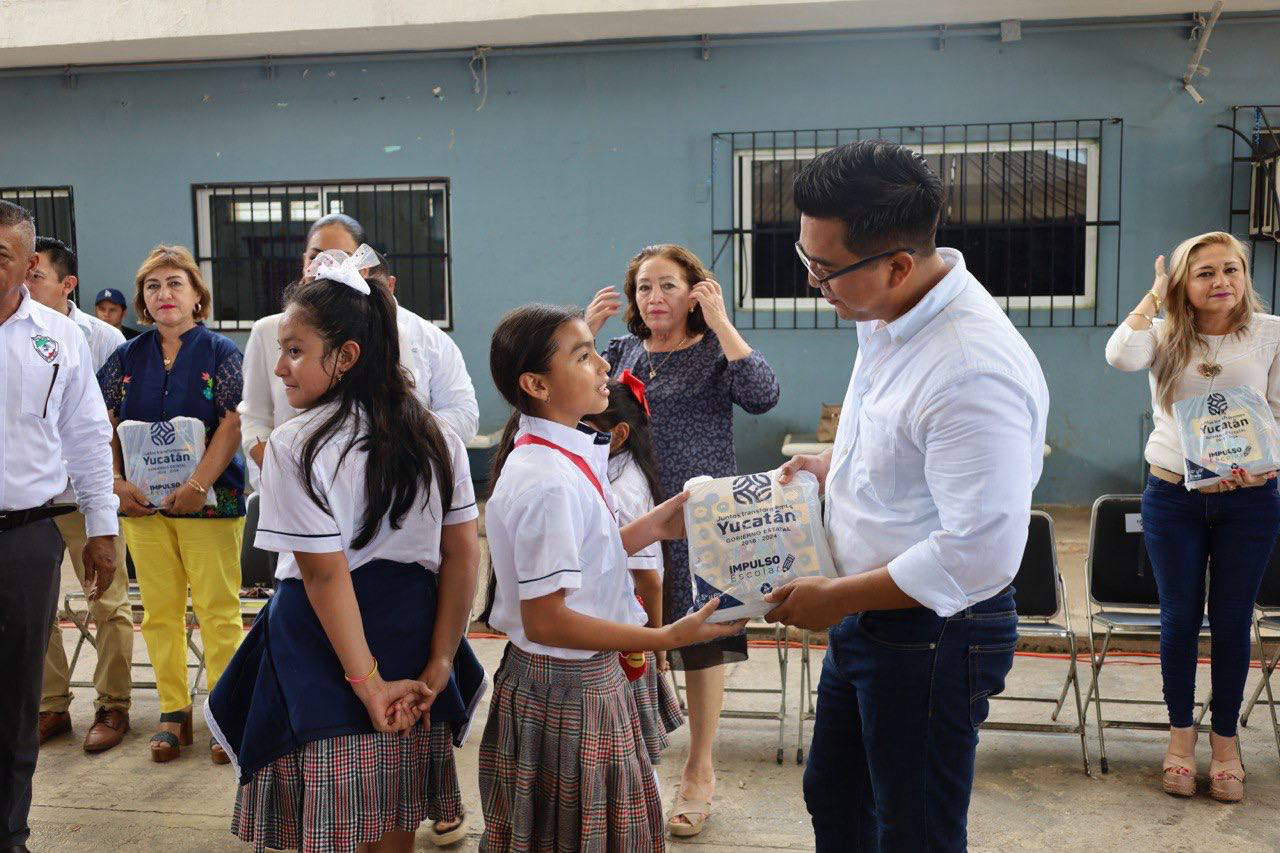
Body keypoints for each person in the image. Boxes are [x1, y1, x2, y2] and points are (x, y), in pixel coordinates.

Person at [764, 140, 1049, 851]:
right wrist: (839, 464)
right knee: (835, 795)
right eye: (807, 260)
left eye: (824, 270)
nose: (812, 283)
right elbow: (904, 437)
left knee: (913, 826)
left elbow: (978, 553)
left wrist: (837, 598)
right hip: (866, 611)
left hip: (935, 632)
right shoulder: (884, 310)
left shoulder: (970, 369)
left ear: (897, 263)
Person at [206, 248, 483, 853]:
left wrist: (367, 685)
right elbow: (464, 554)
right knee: (393, 828)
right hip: (414, 639)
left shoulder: (294, 445)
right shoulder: (438, 436)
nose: (280, 367)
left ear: (348, 355)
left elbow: (326, 580)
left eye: (296, 349)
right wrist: (437, 664)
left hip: (325, 652)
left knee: (323, 827)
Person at [478, 303, 745, 851]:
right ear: (536, 384)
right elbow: (547, 619)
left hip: (584, 680)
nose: (604, 366)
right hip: (567, 689)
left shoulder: (562, 453)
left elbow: (586, 556)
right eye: (582, 355)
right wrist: (663, 638)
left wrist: (650, 527)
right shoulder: (545, 480)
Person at [585, 244, 779, 836]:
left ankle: (699, 769)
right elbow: (572, 399)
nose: (654, 298)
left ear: (695, 292)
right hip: (633, 512)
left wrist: (721, 321)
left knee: (704, 640)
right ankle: (629, 757)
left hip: (702, 516)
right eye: (644, 288)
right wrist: (583, 330)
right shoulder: (620, 353)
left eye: (667, 286)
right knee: (629, 634)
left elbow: (763, 393)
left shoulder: (716, 353)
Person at [1105, 232, 1279, 802]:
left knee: (1231, 622)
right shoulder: (1161, 335)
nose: (1221, 281)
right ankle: (1181, 739)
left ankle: (1225, 743)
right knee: (1180, 619)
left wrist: (1264, 466)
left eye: (1231, 269)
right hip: (1173, 496)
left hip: (1249, 501)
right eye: (1204, 272)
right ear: (1183, 281)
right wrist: (1154, 296)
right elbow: (1118, 355)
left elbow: (1278, 414)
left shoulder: (1270, 334)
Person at [0, 200, 119, 853]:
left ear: (29, 264)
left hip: (26, 536)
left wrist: (101, 526)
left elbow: (86, 436)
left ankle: (10, 832)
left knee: (19, 700)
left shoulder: (59, 338)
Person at [97, 244, 246, 764]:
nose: (164, 295)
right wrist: (115, 481)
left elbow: (232, 421)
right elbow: (103, 425)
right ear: (142, 298)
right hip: (142, 507)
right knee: (159, 613)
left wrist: (199, 485)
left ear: (196, 295)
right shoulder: (125, 356)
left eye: (174, 284)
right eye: (153, 286)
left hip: (209, 502)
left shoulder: (222, 353)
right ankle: (172, 713)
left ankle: (225, 716)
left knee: (219, 611)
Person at [239, 214, 478, 484]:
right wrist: (283, 467)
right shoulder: (268, 331)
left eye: (340, 257)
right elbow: (253, 418)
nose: (324, 266)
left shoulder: (393, 333)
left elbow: (409, 410)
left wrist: (394, 455)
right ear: (303, 261)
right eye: (315, 256)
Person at [25, 237, 133, 754]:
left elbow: (113, 424)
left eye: (35, 274)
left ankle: (114, 704)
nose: (24, 282)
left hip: (89, 493)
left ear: (67, 284)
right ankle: (51, 705)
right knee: (37, 606)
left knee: (107, 600)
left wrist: (111, 492)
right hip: (30, 498)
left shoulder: (104, 339)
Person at [584, 373, 685, 767]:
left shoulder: (623, 490)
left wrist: (656, 644)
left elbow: (649, 579)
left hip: (628, 639)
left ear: (619, 435)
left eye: (586, 427)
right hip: (624, 628)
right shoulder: (616, 470)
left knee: (629, 753)